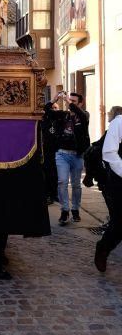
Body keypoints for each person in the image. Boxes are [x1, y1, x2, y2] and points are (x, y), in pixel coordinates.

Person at [44, 91, 90, 225]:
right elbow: (47, 110)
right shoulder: (63, 115)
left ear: (80, 103)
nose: (70, 103)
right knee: (62, 182)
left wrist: (68, 102)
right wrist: (54, 99)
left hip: (77, 155)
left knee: (76, 185)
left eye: (73, 101)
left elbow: (79, 113)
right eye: (69, 100)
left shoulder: (84, 115)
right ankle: (65, 210)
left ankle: (75, 209)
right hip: (62, 154)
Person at [94, 107, 122, 272]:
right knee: (119, 223)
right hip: (119, 182)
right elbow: (109, 153)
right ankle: (103, 248)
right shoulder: (119, 122)